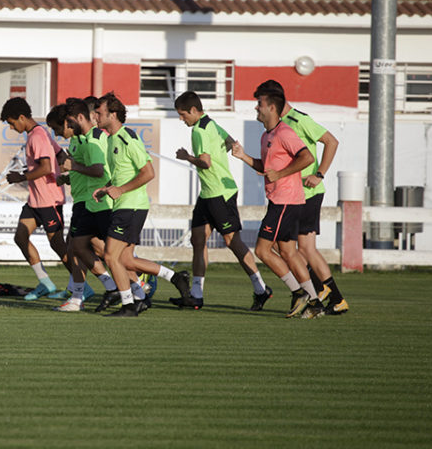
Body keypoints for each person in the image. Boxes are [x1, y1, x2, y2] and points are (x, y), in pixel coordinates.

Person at [91, 92, 191, 317]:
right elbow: (122, 175)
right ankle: (174, 277)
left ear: (113, 114)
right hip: (125, 205)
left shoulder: (128, 138)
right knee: (125, 259)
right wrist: (108, 187)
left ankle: (129, 305)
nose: (95, 116)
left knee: (109, 256)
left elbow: (148, 172)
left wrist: (120, 190)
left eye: (99, 112)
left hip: (132, 206)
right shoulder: (111, 139)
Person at [173, 91, 271, 309]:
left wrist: (187, 157)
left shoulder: (199, 130)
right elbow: (230, 142)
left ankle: (261, 288)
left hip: (220, 194)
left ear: (193, 111)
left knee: (231, 241)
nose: (181, 119)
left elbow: (205, 162)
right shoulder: (211, 124)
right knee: (198, 240)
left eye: (182, 115)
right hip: (207, 193)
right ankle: (196, 295)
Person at [230, 81, 320, 318]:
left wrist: (280, 174)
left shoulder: (284, 133)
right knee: (289, 252)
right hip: (280, 200)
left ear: (271, 107)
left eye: (259, 104)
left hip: (286, 202)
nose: (256, 108)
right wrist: (243, 157)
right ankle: (316, 301)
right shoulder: (266, 136)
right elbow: (265, 167)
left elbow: (307, 157)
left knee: (262, 250)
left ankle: (298, 292)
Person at [273, 82, 350, 317]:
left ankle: (326, 292)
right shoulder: (278, 125)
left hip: (307, 193)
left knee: (299, 247)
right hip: (293, 194)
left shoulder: (298, 120)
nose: (260, 107)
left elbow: (331, 141)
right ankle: (328, 293)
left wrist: (319, 174)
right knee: (284, 244)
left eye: (262, 102)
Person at [0, 97, 73, 301]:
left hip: (49, 200)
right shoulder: (40, 134)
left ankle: (80, 286)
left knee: (58, 246)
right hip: (35, 200)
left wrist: (21, 176)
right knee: (20, 237)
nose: (13, 128)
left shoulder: (37, 136)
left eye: (13, 123)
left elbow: (47, 167)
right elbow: (59, 157)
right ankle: (45, 284)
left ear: (22, 117)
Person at [53, 99, 119, 312]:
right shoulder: (77, 141)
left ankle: (135, 284)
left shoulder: (95, 138)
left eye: (59, 128)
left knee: (108, 251)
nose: (59, 133)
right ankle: (106, 289)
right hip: (83, 201)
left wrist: (73, 166)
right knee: (77, 247)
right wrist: (68, 177)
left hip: (100, 202)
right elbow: (83, 170)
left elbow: (99, 171)